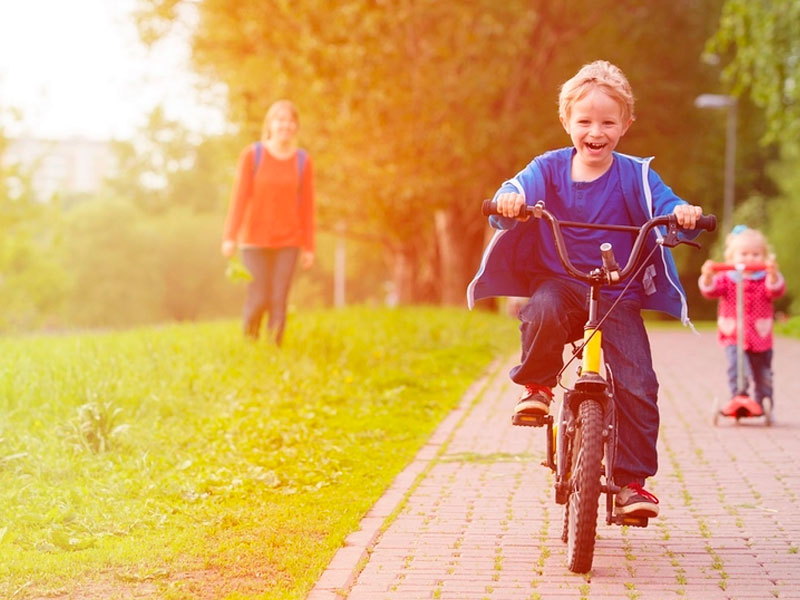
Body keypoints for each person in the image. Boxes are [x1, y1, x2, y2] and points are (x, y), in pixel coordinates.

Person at [467, 60, 706, 519]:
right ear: (566, 122)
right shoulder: (549, 169)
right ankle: (537, 387)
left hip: (619, 293)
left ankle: (631, 483)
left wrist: (682, 213)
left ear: (626, 125)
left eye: (607, 122)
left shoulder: (635, 174)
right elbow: (515, 187)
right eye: (585, 121)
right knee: (541, 309)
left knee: (639, 382)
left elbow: (666, 203)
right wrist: (511, 200)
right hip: (561, 282)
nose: (595, 131)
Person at [221, 99, 315, 346]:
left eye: (290, 121)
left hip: (289, 240)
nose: (285, 125)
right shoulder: (253, 155)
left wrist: (309, 247)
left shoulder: (303, 161)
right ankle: (250, 344)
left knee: (279, 298)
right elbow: (239, 197)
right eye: (280, 120)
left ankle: (274, 349)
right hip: (254, 239)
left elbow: (307, 206)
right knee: (259, 296)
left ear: (296, 127)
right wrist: (230, 236)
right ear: (270, 124)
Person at [698, 225, 785, 415]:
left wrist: (773, 274)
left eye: (756, 254)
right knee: (736, 368)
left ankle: (763, 403)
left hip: (760, 338)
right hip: (733, 336)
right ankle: (739, 397)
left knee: (763, 375)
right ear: (732, 258)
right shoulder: (726, 278)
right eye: (744, 254)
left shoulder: (764, 279)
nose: (750, 259)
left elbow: (776, 290)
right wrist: (707, 277)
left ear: (764, 257)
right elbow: (710, 291)